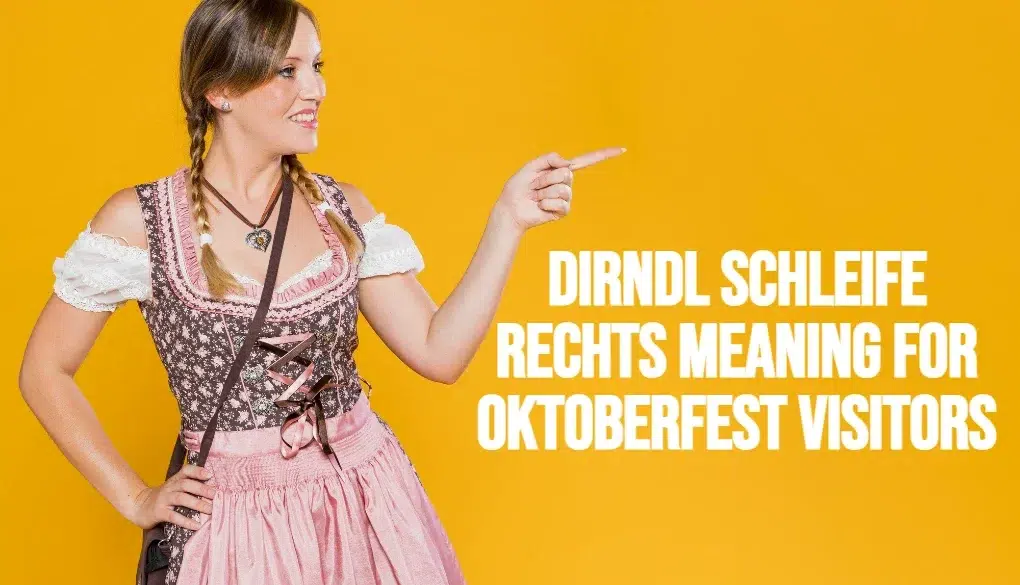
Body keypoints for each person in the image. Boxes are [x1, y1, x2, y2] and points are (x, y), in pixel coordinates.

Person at [17, 1, 625, 584]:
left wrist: (507, 222)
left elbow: (440, 354)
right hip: (239, 523)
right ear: (220, 89)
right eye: (288, 70)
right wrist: (133, 496)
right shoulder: (141, 222)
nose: (316, 89)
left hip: (366, 494)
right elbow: (45, 371)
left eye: (317, 65)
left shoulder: (342, 210)